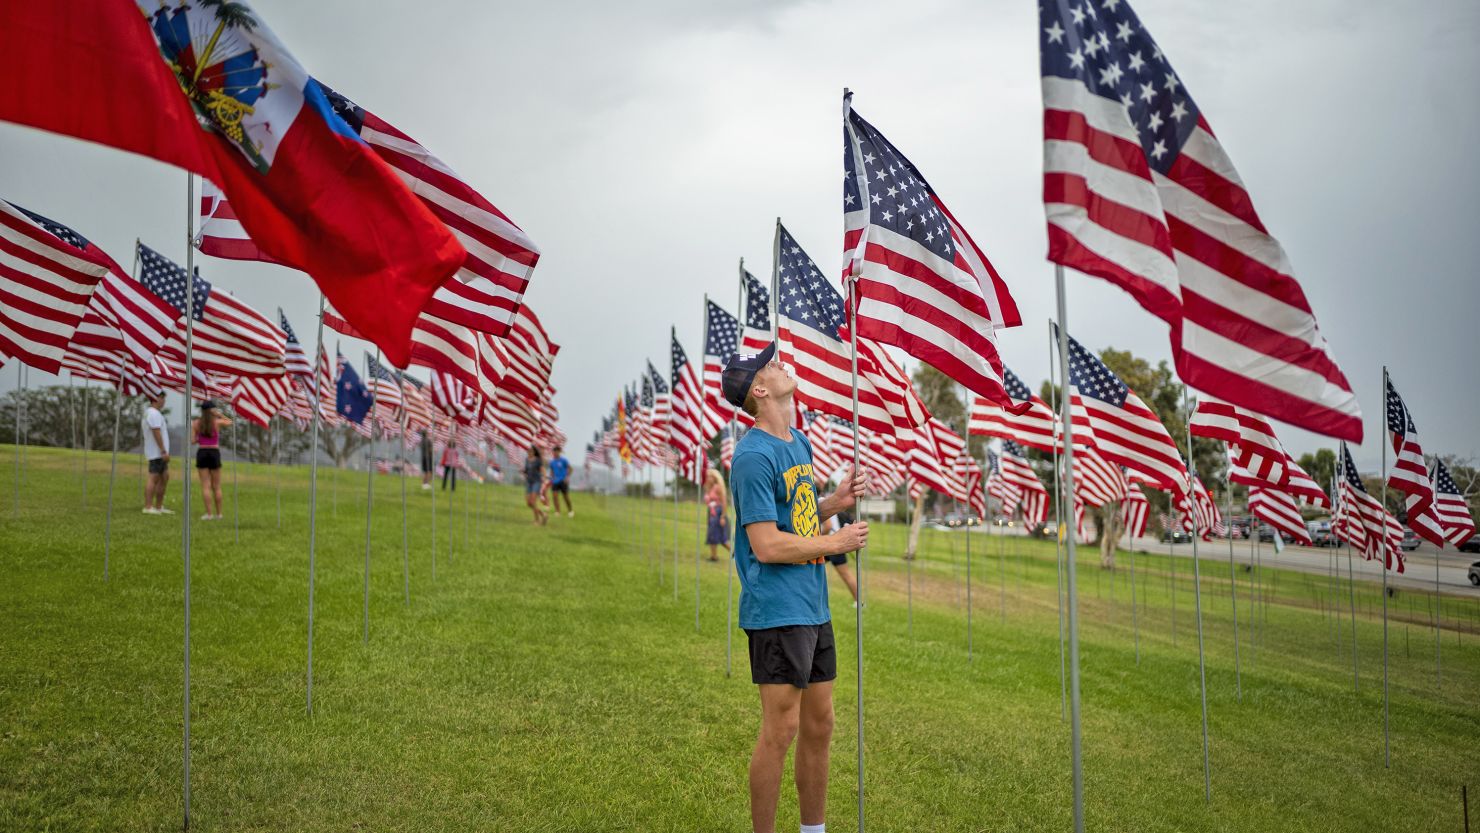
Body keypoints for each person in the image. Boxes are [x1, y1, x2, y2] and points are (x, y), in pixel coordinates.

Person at [721, 342, 868, 833]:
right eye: (770, 365)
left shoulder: (799, 443)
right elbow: (765, 544)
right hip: (777, 610)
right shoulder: (751, 457)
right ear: (759, 390)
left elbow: (795, 518)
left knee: (820, 724)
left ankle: (814, 830)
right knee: (780, 730)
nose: (781, 363)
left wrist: (832, 504)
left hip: (814, 605)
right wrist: (838, 539)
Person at [190, 400, 232, 520]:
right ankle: (219, 514)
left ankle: (209, 514)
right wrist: (219, 414)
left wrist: (200, 437)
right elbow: (230, 422)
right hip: (214, 452)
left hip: (202, 452)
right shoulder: (217, 422)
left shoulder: (196, 423)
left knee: (205, 485)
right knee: (217, 486)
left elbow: (192, 441)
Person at [141, 392, 173, 515]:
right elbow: (156, 432)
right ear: (155, 399)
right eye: (162, 398)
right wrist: (163, 450)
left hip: (159, 453)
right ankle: (148, 506)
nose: (164, 401)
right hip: (156, 453)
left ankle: (159, 506)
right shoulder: (153, 413)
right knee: (153, 478)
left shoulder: (154, 413)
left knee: (164, 477)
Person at [823, 510, 860, 606]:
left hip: (831, 543)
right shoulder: (825, 501)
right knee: (814, 568)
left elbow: (828, 526)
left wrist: (817, 537)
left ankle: (859, 601)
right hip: (829, 544)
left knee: (845, 574)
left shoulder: (821, 501)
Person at [703, 467, 730, 561]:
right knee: (712, 535)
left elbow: (724, 502)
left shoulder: (718, 487)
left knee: (720, 538)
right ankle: (713, 556)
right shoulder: (709, 488)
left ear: (714, 478)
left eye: (710, 476)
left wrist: (723, 516)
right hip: (711, 513)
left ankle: (734, 553)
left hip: (718, 513)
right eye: (707, 476)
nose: (708, 478)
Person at [523, 445, 548, 525]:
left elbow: (543, 470)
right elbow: (526, 471)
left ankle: (537, 520)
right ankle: (543, 514)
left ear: (534, 452)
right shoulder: (527, 460)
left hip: (536, 482)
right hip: (529, 482)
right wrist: (524, 472)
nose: (529, 452)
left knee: (533, 501)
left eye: (531, 451)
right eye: (528, 451)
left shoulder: (538, 460)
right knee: (529, 503)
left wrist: (544, 478)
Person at [549, 445, 573, 517]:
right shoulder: (552, 462)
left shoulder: (564, 460)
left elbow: (570, 469)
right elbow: (552, 471)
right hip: (555, 481)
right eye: (554, 451)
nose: (555, 453)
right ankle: (557, 512)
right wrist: (551, 478)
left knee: (566, 497)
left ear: (559, 452)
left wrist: (567, 477)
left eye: (557, 451)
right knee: (555, 496)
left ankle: (570, 511)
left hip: (563, 481)